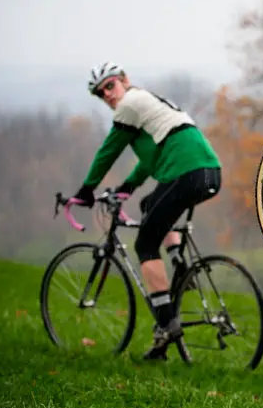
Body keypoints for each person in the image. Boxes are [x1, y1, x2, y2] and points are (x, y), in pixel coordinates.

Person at [71, 62, 223, 360]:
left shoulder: (129, 103)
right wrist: (128, 187)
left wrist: (86, 189)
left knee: (144, 243)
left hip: (186, 171)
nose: (108, 95)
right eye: (101, 93)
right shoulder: (147, 105)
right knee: (148, 205)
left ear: (125, 81)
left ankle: (167, 324)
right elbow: (152, 158)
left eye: (110, 86)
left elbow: (109, 149)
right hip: (209, 172)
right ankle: (180, 265)